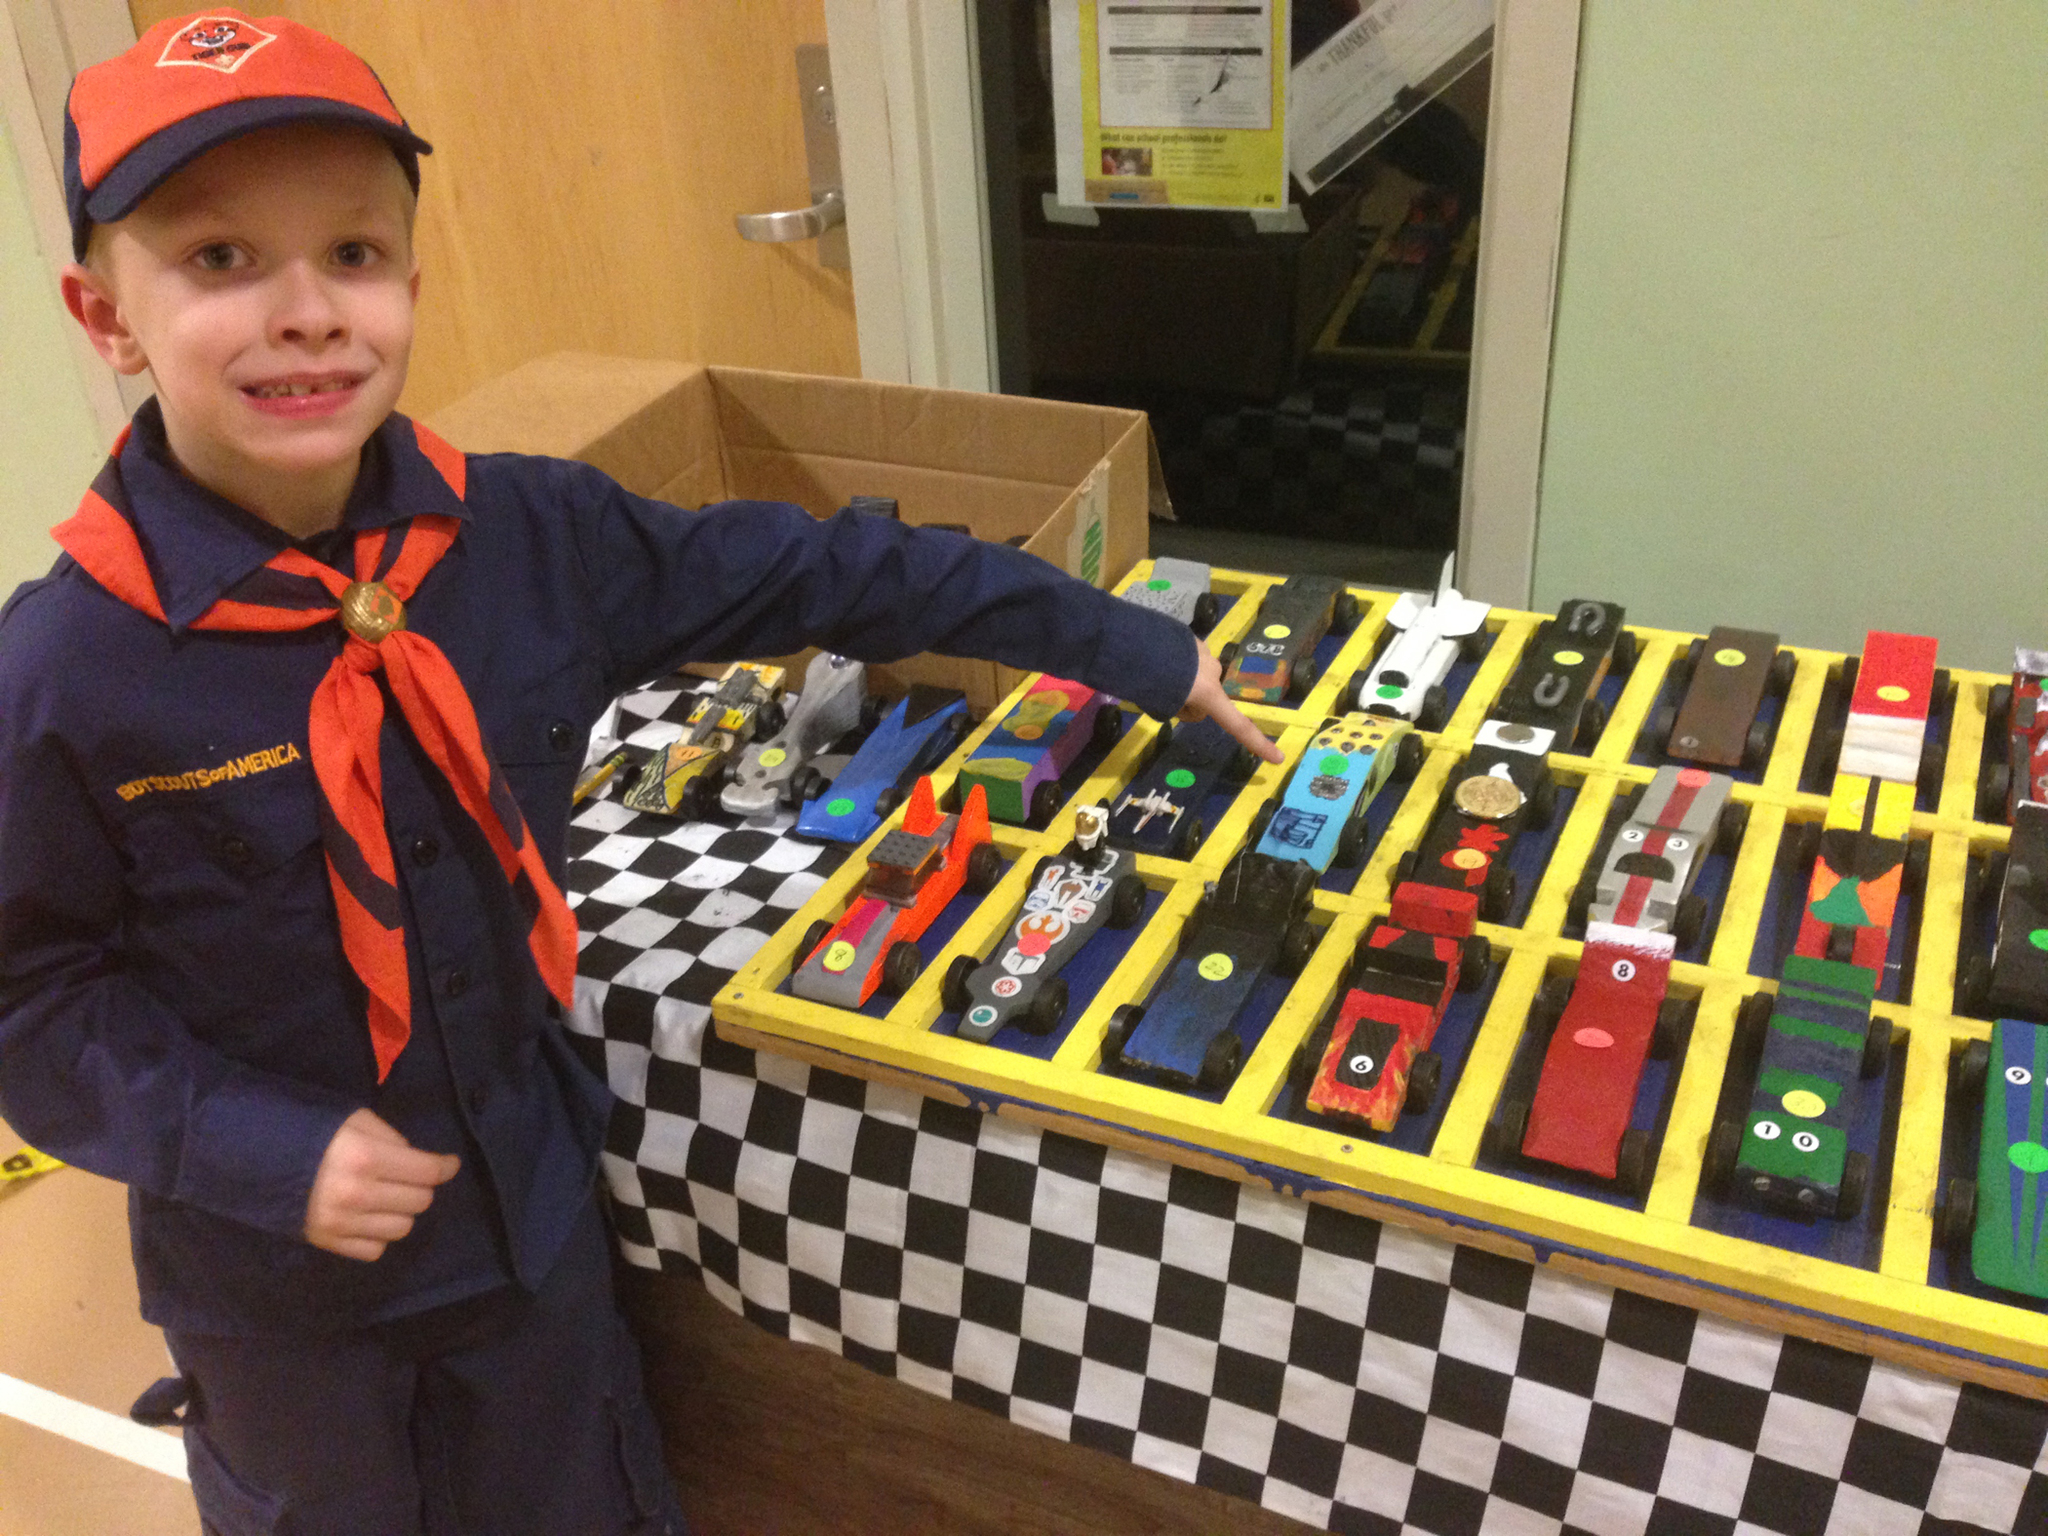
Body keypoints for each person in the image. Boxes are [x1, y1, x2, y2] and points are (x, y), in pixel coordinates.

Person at [0, 11, 1280, 1534]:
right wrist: (259, 1149)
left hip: (533, 1226)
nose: (305, 313)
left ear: (411, 278)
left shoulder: (532, 542)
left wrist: (1122, 642)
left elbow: (834, 569)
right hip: (279, 1291)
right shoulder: (62, 671)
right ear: (106, 315)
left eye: (352, 255)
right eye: (220, 262)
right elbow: (30, 998)